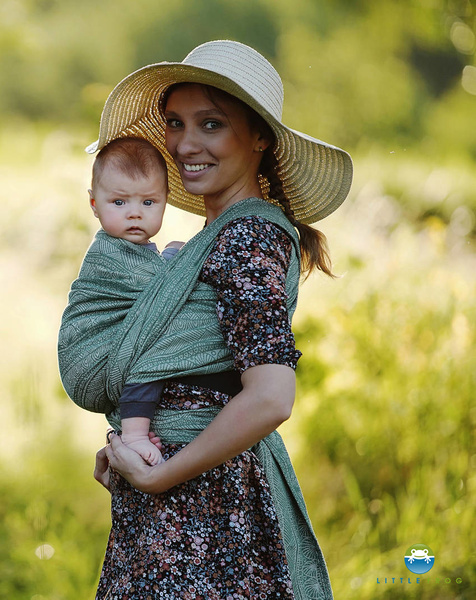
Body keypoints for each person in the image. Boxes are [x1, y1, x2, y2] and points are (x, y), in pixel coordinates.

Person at [58, 40, 352, 599]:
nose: (185, 144)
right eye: (174, 122)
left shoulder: (248, 238)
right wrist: (134, 440)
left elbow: (270, 397)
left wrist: (161, 472)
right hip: (178, 508)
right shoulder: (208, 241)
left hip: (209, 519)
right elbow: (195, 378)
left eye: (211, 124)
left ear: (259, 138)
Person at [85, 136, 184, 466]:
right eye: (119, 202)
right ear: (94, 204)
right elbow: (162, 289)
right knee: (150, 357)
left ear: (165, 202)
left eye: (148, 203)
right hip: (96, 351)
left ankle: (138, 425)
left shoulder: (138, 251)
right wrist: (175, 254)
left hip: (118, 348)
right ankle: (135, 434)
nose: (134, 214)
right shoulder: (109, 253)